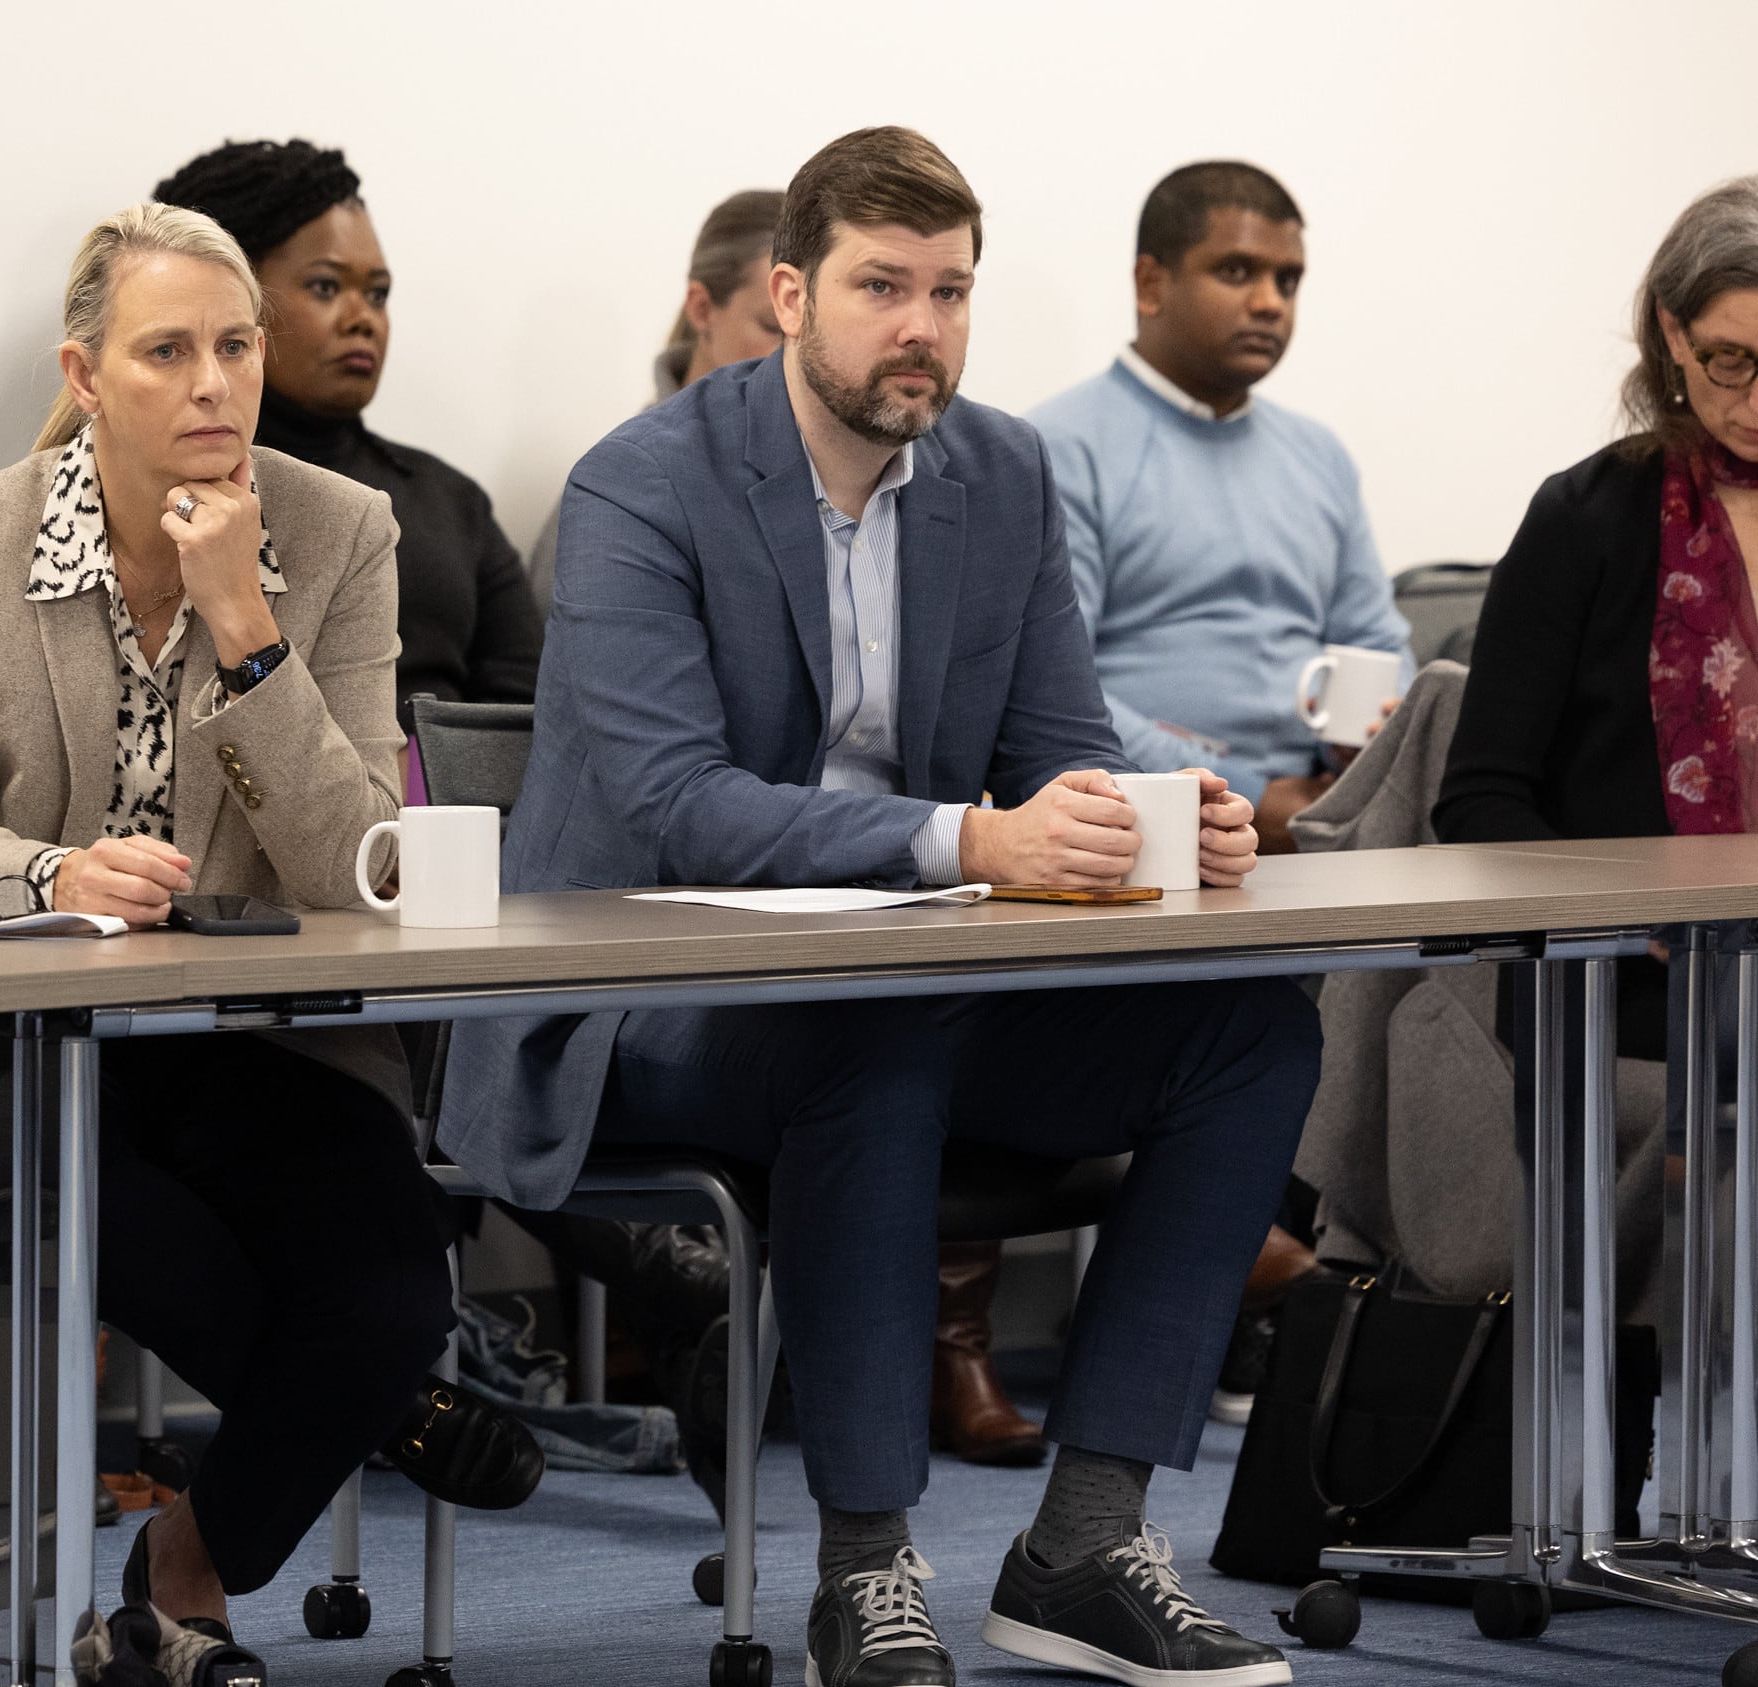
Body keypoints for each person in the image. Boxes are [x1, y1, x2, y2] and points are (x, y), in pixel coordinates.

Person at [440, 128, 1319, 1687]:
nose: (923, 327)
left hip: (896, 976)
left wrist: (1162, 822)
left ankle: (1086, 1542)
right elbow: (679, 806)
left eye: (951, 292)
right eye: (882, 287)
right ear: (790, 295)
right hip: (646, 994)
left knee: (1248, 1028)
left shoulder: (1001, 471)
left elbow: (1058, 749)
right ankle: (865, 1570)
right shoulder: (644, 482)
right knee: (871, 1041)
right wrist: (970, 835)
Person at [0, 203, 535, 1686]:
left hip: (254, 1037)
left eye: (237, 346)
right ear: (86, 376)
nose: (217, 383)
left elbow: (352, 865)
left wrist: (247, 625)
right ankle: (387, 1421)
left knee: (393, 1290)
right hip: (11, 1036)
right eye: (168, 351)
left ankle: (182, 1564)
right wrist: (55, 871)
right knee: (79, 1194)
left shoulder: (339, 529)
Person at [1441, 174, 1758, 1055]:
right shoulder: (1585, 519)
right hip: (1629, 993)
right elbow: (1479, 802)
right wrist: (1622, 914)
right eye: (1732, 360)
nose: (1757, 403)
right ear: (1672, 333)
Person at [1030, 162, 1410, 855]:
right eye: (1237, 272)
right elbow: (1055, 693)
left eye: (1287, 281)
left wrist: (1373, 750)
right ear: (1150, 284)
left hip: (1329, 820)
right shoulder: (1053, 449)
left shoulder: (1319, 454)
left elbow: (1377, 644)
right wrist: (1245, 797)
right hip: (1148, 836)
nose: (1270, 303)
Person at [153, 139, 541, 705]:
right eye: (326, 287)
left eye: (377, 294)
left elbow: (526, 717)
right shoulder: (148, 493)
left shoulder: (450, 503)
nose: (364, 319)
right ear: (232, 296)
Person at [528, 189, 789, 609]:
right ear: (701, 308)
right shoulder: (620, 485)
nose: (798, 356)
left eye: (814, 331)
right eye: (774, 327)